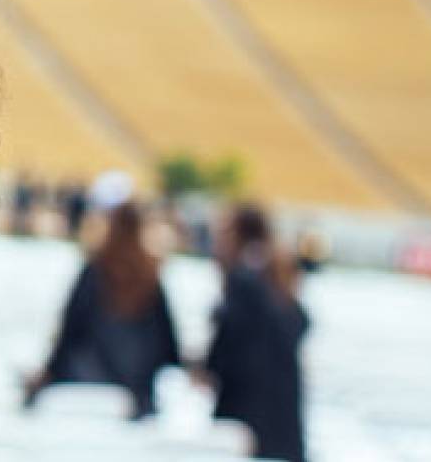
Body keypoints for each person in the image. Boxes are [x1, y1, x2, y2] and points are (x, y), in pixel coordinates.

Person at [23, 178, 181, 418]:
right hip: (134, 394)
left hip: (85, 389)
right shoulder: (150, 277)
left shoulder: (96, 271)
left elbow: (71, 329)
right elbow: (167, 344)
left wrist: (49, 372)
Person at [204, 203, 309, 462]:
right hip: (279, 412)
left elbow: (229, 345)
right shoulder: (273, 271)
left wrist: (208, 368)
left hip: (248, 411)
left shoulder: (244, 279)